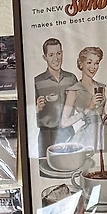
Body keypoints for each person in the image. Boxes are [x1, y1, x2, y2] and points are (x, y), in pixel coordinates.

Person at [33, 37, 78, 172]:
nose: (56, 58)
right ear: (45, 57)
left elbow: (81, 104)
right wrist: (36, 108)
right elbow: (27, 113)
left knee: (71, 168)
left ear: (62, 53)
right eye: (51, 55)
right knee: (45, 170)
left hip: (68, 132)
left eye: (58, 53)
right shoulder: (37, 81)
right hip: (46, 134)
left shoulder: (71, 78)